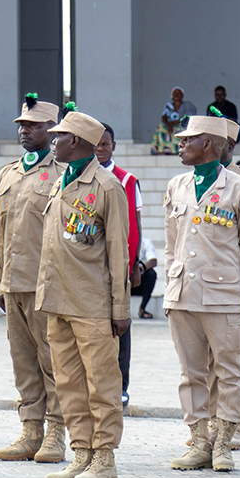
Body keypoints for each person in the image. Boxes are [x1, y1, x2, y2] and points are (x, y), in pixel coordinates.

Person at [39, 107, 131, 478]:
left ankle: (105, 457)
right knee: (68, 382)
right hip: (59, 298)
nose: (53, 140)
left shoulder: (107, 186)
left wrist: (120, 308)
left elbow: (117, 252)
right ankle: (82, 453)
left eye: (59, 136)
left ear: (75, 141)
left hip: (93, 302)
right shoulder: (62, 180)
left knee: (101, 384)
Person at [164, 116, 240, 473]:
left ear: (208, 145)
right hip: (183, 291)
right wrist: (172, 284)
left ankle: (224, 440)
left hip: (226, 296)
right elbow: (173, 244)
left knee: (231, 372)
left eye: (189, 140)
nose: (181, 144)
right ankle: (199, 439)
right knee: (191, 373)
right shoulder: (176, 185)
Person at [0, 93, 66, 464]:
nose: (25, 131)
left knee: (52, 360)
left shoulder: (64, 172)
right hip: (14, 281)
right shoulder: (9, 173)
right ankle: (30, 428)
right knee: (22, 361)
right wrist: (0, 277)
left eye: (34, 125)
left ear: (53, 130)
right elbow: (1, 230)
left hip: (46, 283)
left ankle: (56, 431)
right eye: (22, 125)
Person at [207, 116, 240, 449]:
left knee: (237, 358)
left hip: (236, 287)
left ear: (231, 145)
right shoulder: (195, 179)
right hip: (204, 286)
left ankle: (236, 420)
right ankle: (212, 420)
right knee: (207, 361)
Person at [96, 124, 141, 407]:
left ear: (114, 147)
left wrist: (131, 264)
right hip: (90, 266)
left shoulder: (126, 180)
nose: (100, 149)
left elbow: (133, 226)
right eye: (96, 144)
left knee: (120, 326)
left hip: (119, 265)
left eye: (106, 144)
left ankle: (121, 385)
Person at [153, 87, 198, 155]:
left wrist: (173, 123)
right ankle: (163, 149)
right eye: (175, 93)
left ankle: (182, 149)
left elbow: (188, 117)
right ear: (172, 96)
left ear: (182, 95)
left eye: (179, 93)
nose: (177, 95)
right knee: (161, 126)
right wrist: (168, 125)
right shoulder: (169, 106)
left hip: (183, 125)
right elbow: (164, 116)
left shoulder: (188, 105)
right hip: (170, 126)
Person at [130, 237, 157, 319]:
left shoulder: (145, 242)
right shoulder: (121, 240)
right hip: (125, 281)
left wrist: (140, 268)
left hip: (139, 282)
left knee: (151, 274)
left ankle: (142, 309)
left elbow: (153, 261)